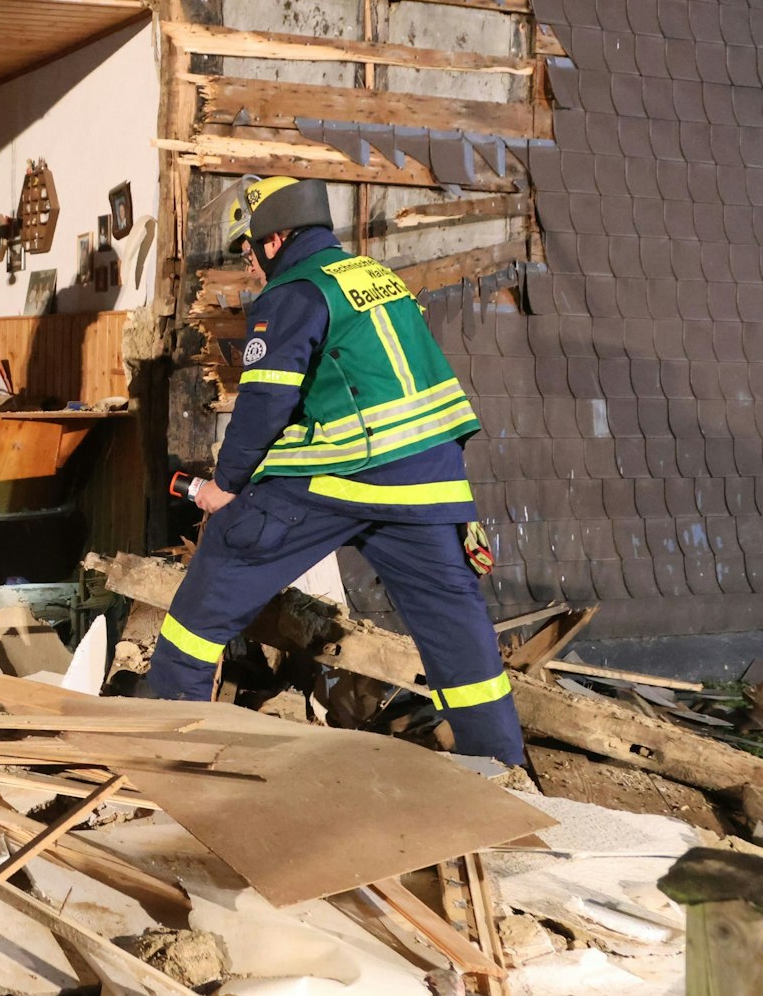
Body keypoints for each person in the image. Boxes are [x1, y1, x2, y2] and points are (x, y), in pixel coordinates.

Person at [146, 176, 524, 766]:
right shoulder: (375, 277)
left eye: (248, 250)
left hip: (342, 472)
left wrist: (225, 486)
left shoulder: (296, 290)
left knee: (216, 577)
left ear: (275, 239)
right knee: (457, 630)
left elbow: (265, 400)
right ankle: (499, 766)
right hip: (430, 482)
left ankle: (168, 744)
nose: (248, 266)